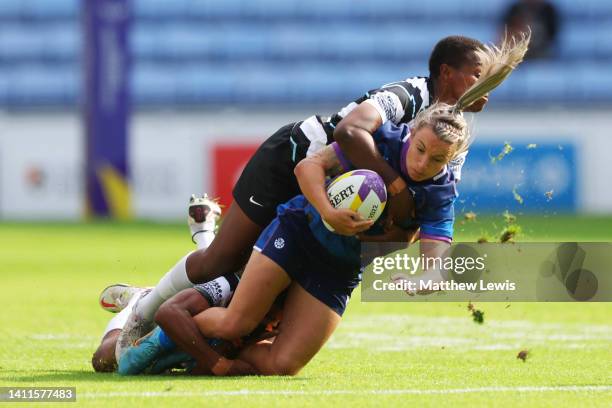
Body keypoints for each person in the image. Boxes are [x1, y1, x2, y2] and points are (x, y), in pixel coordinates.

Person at [119, 32, 531, 376]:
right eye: (478, 76)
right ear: (447, 73)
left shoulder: (450, 145)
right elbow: (351, 132)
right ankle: (145, 310)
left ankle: (197, 340)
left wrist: (418, 257)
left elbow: (429, 214)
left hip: (332, 223)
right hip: (295, 160)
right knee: (220, 261)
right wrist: (396, 188)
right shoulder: (408, 95)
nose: (486, 90)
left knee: (265, 308)